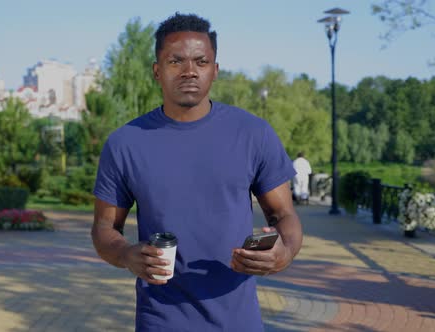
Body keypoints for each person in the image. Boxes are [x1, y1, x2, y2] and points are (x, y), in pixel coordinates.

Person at [91, 13, 303, 331]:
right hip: (160, 320)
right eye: (176, 61)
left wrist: (283, 253)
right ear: (157, 71)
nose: (189, 71)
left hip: (239, 321)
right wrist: (126, 254)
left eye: (201, 62)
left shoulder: (252, 134)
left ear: (214, 70)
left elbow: (284, 215)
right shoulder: (125, 143)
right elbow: (104, 228)